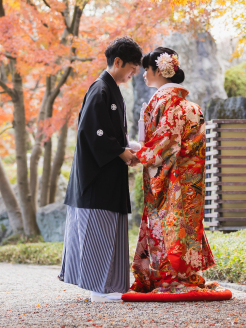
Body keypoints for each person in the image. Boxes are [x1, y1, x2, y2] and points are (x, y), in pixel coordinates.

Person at [60, 37, 142, 303]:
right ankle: (99, 288)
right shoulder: (100, 89)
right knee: (99, 232)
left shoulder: (110, 89)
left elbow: (111, 134)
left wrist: (126, 150)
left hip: (107, 175)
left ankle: (108, 286)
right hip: (97, 179)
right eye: (131, 69)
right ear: (117, 62)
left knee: (108, 232)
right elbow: (93, 133)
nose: (132, 75)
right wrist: (122, 152)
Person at [130, 47, 216, 295]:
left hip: (170, 178)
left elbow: (165, 143)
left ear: (158, 70)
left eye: (146, 69)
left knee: (168, 223)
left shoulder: (164, 102)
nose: (144, 74)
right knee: (187, 223)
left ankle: (167, 278)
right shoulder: (192, 106)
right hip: (192, 178)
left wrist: (138, 155)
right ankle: (186, 274)